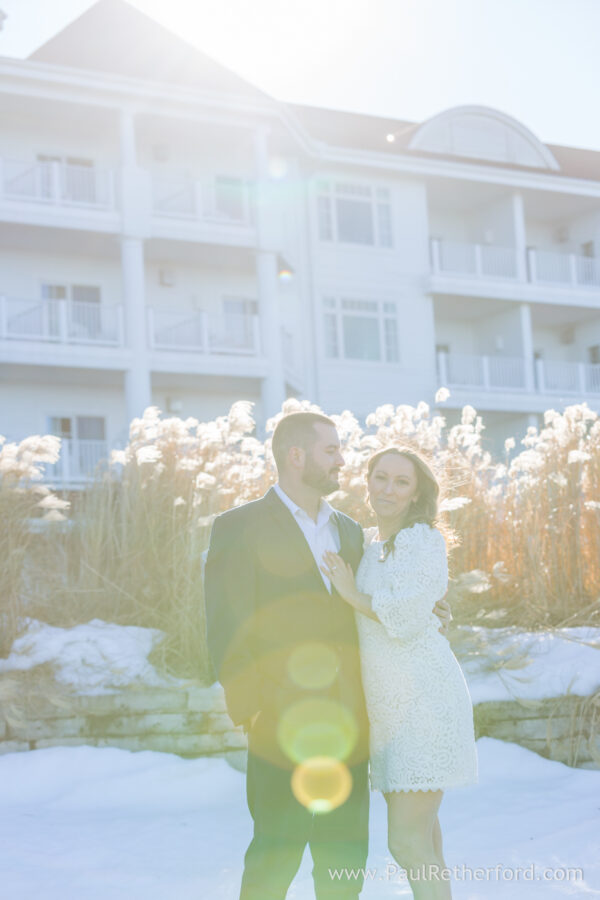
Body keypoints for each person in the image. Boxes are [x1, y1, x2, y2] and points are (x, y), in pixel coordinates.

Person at [204, 413, 452, 900]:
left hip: (350, 725)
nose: (344, 460)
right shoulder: (239, 527)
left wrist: (427, 603)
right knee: (274, 856)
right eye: (332, 450)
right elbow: (225, 625)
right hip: (279, 723)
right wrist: (251, 709)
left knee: (344, 862)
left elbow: (379, 603)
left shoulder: (351, 532)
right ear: (297, 456)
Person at [321, 447, 478, 900]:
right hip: (389, 710)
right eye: (380, 477)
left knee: (406, 841)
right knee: (425, 838)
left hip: (423, 702)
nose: (387, 489)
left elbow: (406, 619)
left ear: (416, 494)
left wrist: (350, 594)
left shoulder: (422, 539)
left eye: (401, 482)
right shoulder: (370, 542)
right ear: (367, 481)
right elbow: (410, 605)